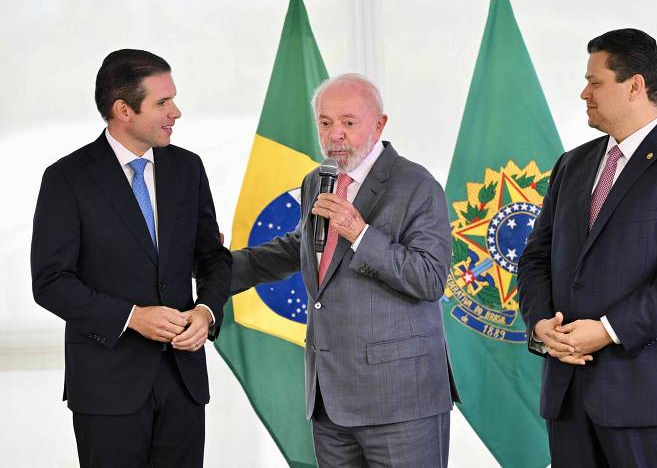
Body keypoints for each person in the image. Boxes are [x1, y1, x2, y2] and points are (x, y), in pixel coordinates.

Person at [518, 28, 657, 467]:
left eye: (595, 82)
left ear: (635, 85)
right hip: (569, 394)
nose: (583, 93)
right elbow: (537, 256)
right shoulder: (572, 164)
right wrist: (540, 323)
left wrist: (607, 330)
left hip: (651, 398)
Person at [230, 73, 459, 467]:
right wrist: (217, 268)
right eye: (325, 122)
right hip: (330, 400)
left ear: (380, 124)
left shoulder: (417, 184)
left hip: (400, 402)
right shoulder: (318, 180)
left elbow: (430, 278)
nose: (335, 134)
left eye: (348, 123)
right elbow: (298, 248)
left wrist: (360, 233)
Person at [31, 49, 232, 467]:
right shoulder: (66, 179)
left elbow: (213, 257)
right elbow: (51, 281)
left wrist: (207, 312)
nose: (176, 112)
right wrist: (132, 316)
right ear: (123, 109)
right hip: (107, 388)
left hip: (183, 382)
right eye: (163, 102)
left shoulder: (187, 168)